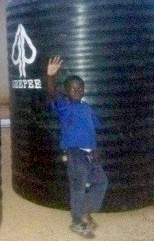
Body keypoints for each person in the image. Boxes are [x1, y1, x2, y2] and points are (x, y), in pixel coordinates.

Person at [46, 56, 108, 239]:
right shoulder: (65, 107)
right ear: (66, 92)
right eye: (72, 89)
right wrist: (50, 77)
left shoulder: (87, 107)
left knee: (101, 182)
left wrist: (95, 150)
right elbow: (52, 94)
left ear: (84, 90)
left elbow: (92, 130)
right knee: (78, 187)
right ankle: (77, 222)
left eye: (80, 88)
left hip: (90, 154)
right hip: (74, 154)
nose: (77, 91)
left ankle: (83, 210)